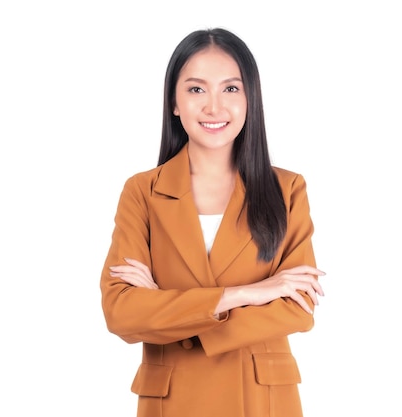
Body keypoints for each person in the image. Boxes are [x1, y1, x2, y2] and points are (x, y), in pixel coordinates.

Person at [100, 27, 326, 417]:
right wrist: (245, 293)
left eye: (231, 89)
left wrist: (165, 306)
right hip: (172, 401)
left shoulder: (287, 189)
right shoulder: (142, 192)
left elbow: (298, 308)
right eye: (196, 89)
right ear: (174, 101)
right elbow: (121, 312)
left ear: (250, 98)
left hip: (260, 401)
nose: (214, 107)